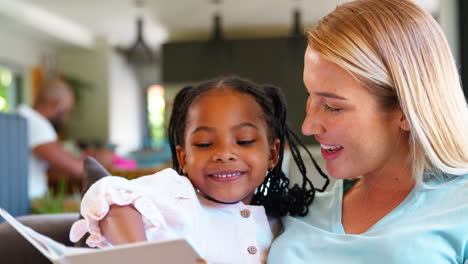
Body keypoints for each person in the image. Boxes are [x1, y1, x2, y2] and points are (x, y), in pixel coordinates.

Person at [268, 0, 468, 263]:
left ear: (405, 111)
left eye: (332, 106)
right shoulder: (301, 212)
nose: (308, 126)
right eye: (310, 96)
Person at [69, 76, 328, 263]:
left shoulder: (282, 223)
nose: (224, 153)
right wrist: (140, 255)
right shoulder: (177, 194)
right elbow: (112, 196)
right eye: (204, 143)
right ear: (182, 158)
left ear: (272, 154)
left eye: (244, 140)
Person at [17, 77, 83, 199]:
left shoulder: (21, 116)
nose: (66, 119)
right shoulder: (37, 124)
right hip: (31, 201)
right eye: (66, 111)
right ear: (55, 104)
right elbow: (76, 169)